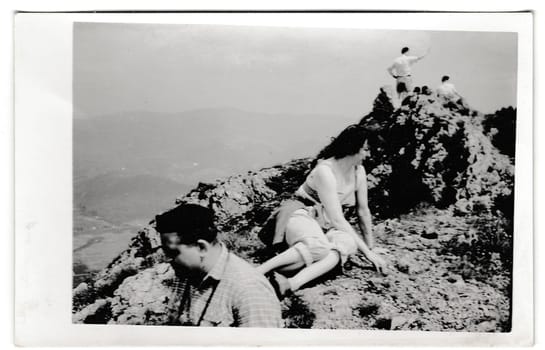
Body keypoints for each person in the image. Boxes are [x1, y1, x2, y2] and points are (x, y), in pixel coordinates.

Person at [256, 124, 388, 298]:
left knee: (347, 244)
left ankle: (290, 284)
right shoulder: (325, 171)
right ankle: (258, 272)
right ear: (351, 148)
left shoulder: (359, 171)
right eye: (365, 149)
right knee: (319, 247)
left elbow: (363, 210)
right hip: (302, 212)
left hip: (325, 223)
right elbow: (338, 219)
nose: (369, 154)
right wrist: (368, 255)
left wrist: (371, 247)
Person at [155, 203, 283, 328]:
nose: (168, 260)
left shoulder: (248, 290)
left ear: (201, 247)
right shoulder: (186, 274)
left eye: (173, 252)